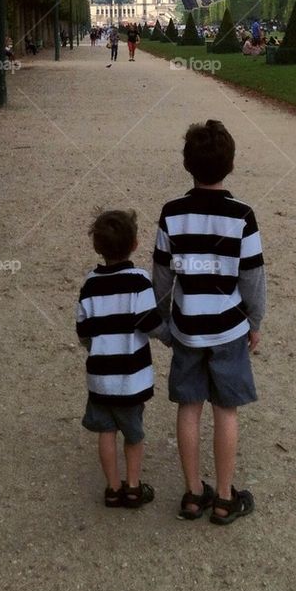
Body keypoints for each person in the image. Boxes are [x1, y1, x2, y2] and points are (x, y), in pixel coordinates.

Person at [153, 120, 266, 525]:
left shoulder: (172, 213)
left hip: (187, 328)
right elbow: (252, 277)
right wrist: (254, 321)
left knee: (188, 406)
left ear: (188, 165)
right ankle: (222, 497)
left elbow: (162, 278)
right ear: (230, 164)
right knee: (226, 409)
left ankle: (192, 492)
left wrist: (165, 322)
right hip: (228, 328)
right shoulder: (242, 216)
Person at [75, 209, 166, 508]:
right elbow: (149, 323)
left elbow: (84, 331)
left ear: (97, 247)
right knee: (133, 433)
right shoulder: (139, 281)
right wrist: (169, 336)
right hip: (130, 377)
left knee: (105, 431)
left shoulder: (90, 284)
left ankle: (112, 488)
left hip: (100, 376)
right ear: (136, 244)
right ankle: (133, 486)